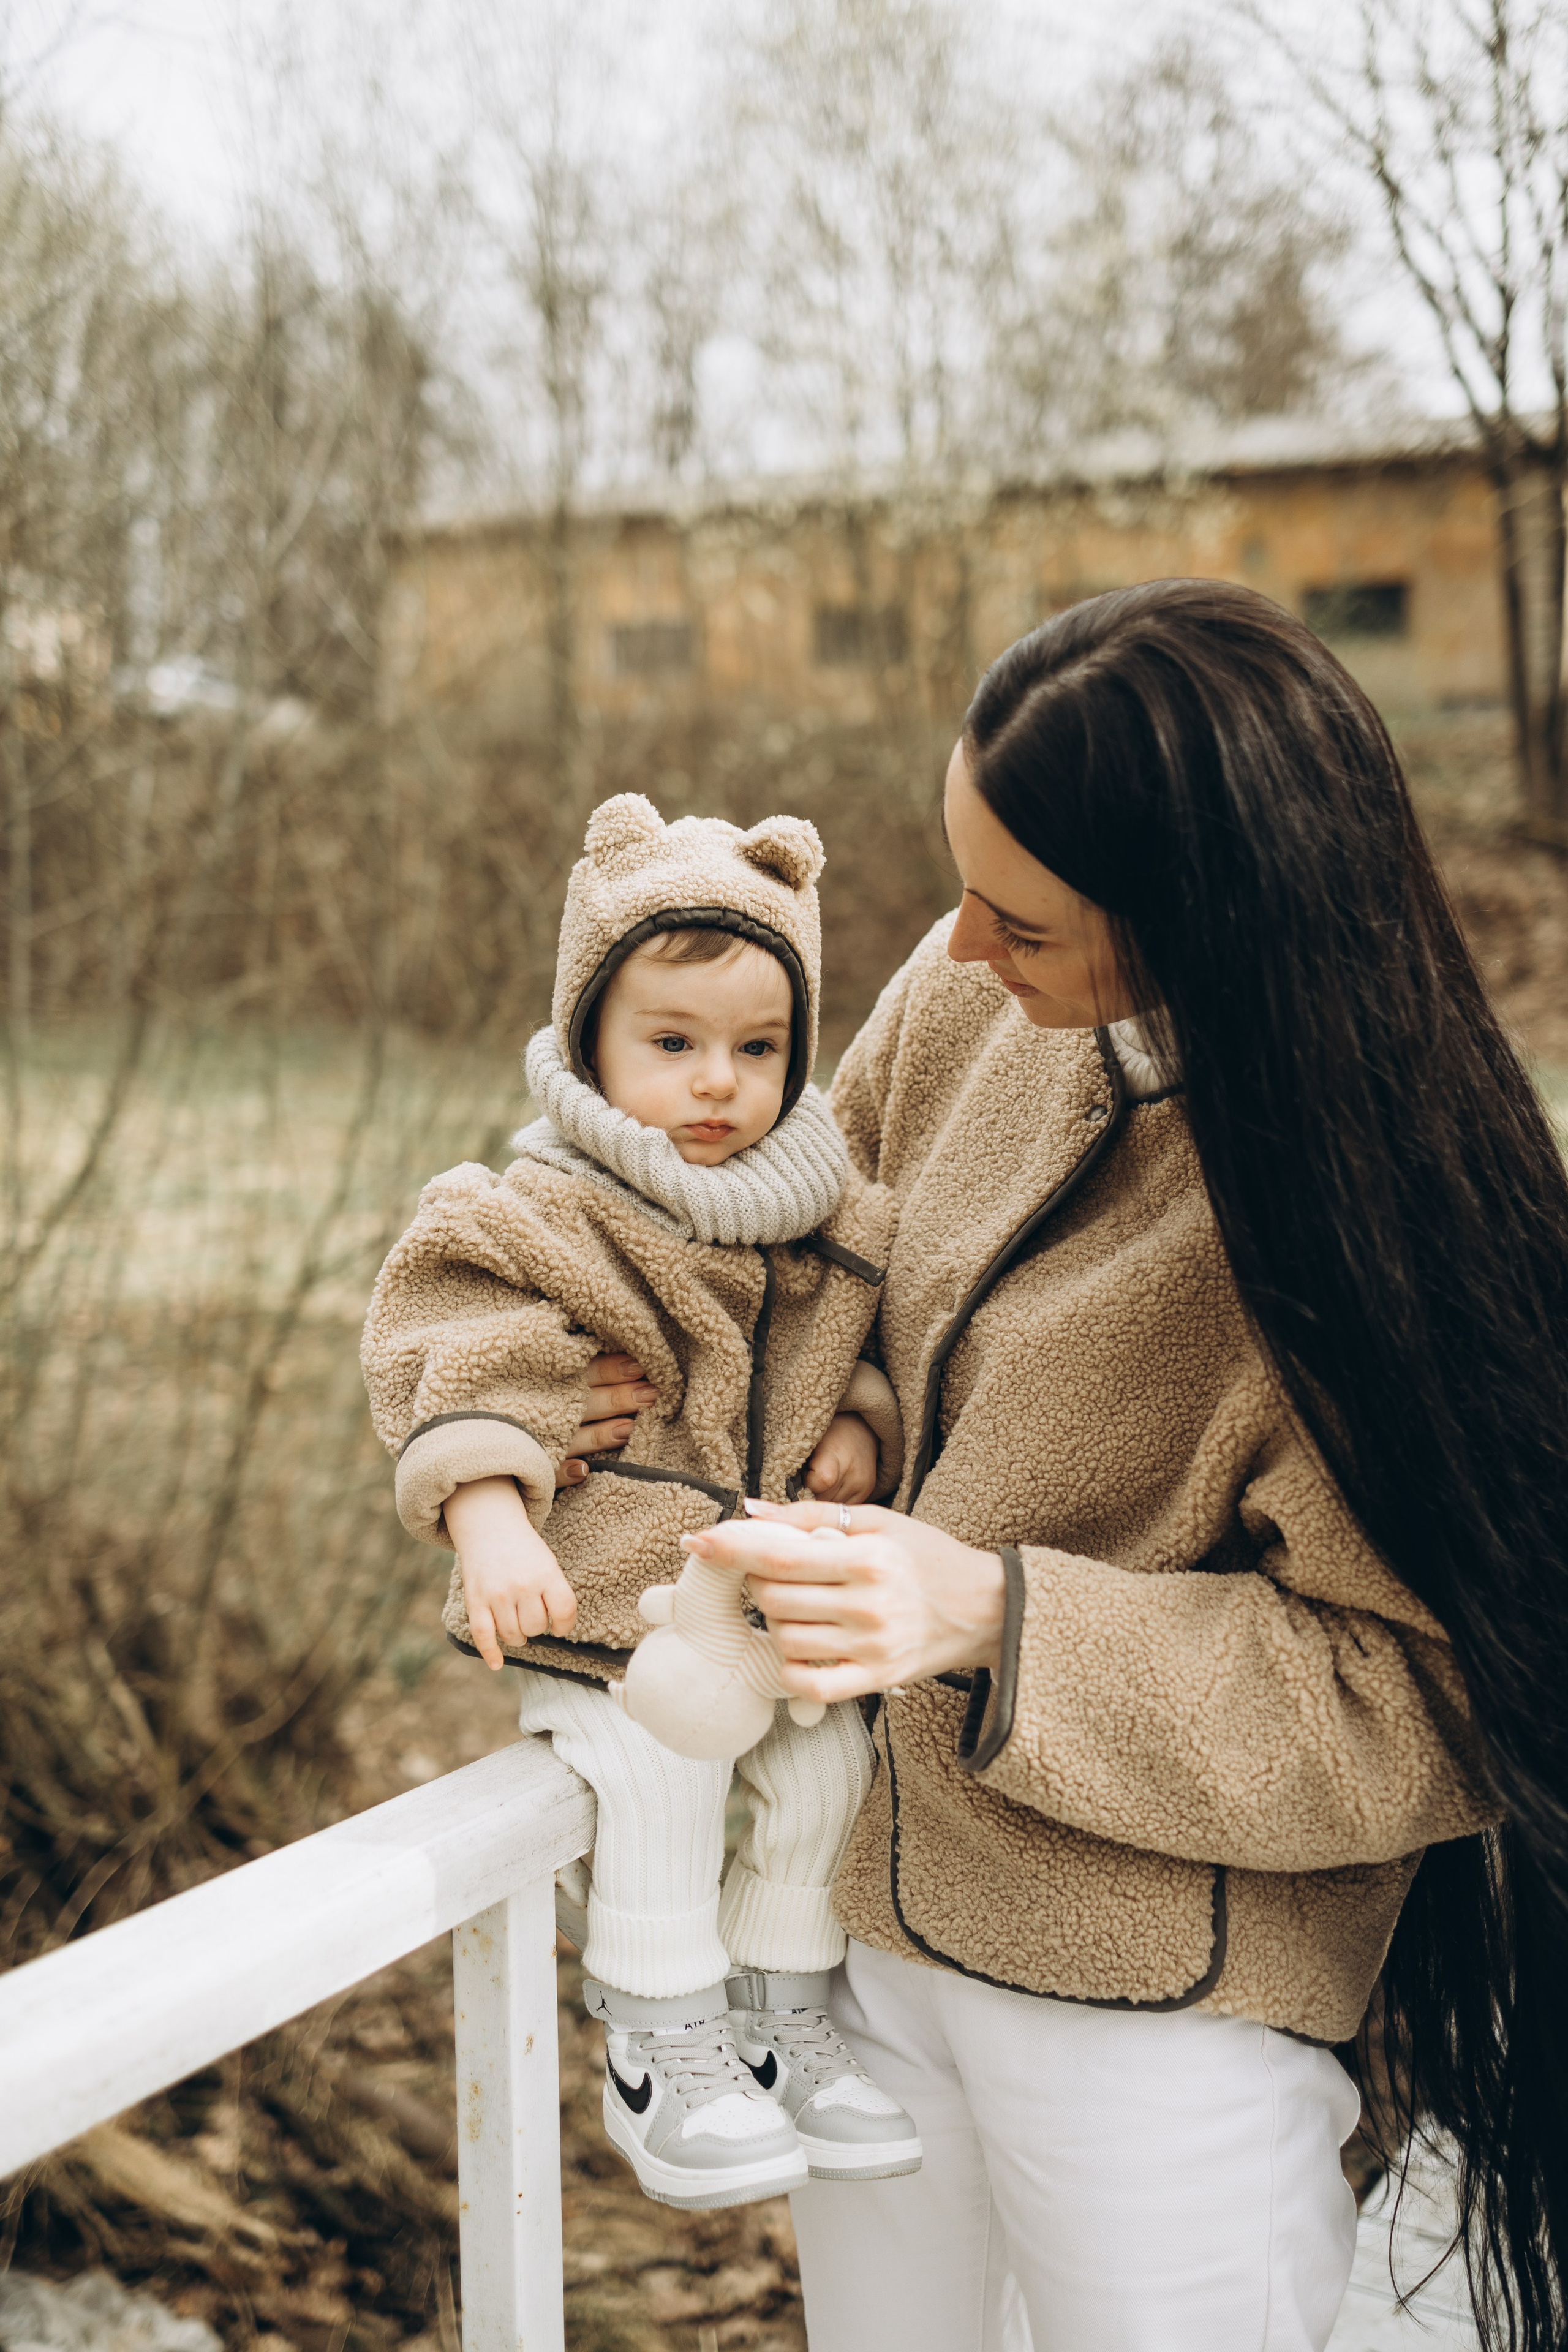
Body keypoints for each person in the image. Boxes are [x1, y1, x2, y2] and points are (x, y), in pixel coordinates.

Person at [677, 580, 1568, 2351]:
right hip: (861, 1918)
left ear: (1207, 923)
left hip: (1159, 2016)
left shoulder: (1395, 1224)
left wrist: (1000, 1619)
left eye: (1022, 918)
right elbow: (803, 1254)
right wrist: (812, 1407)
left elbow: (1438, 1705)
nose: (955, 951)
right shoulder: (968, 1011)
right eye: (958, 879)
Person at [361, 791, 922, 2214]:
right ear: (594, 1041)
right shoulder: (536, 1211)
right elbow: (460, 1355)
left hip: (750, 1607)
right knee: (657, 1768)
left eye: (756, 1048)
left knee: (827, 1770)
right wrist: (491, 1523)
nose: (716, 1083)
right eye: (671, 1045)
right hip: (600, 1598)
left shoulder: (827, 1220)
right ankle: (659, 2035)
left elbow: (850, 1357)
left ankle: (778, 2014)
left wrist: (857, 1428)